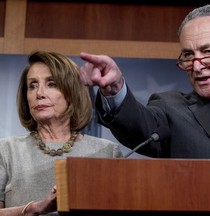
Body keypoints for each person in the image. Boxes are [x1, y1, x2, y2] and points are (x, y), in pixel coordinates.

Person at [79, 4, 210, 160]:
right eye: (188, 55)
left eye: (207, 52)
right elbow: (139, 127)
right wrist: (114, 88)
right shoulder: (171, 109)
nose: (197, 66)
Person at [0, 51, 123, 215]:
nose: (39, 93)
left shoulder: (107, 152)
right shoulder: (6, 150)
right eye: (32, 86)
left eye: (51, 84)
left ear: (72, 93)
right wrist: (31, 210)